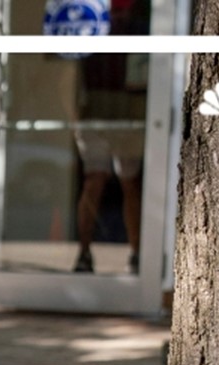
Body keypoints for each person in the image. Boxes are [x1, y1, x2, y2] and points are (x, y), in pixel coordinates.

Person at [69, 0, 149, 274]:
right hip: (94, 113)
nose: (119, 13)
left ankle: (137, 253)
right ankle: (83, 251)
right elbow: (67, 70)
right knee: (94, 181)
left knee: (129, 182)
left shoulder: (140, 30)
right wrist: (72, 114)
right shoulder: (89, 26)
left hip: (128, 113)